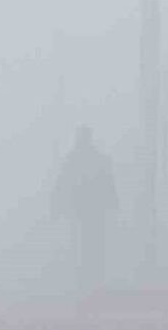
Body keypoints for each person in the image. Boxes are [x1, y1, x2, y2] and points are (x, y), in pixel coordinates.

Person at [51, 126, 119, 294]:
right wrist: (113, 203)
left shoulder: (74, 160)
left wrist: (57, 207)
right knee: (93, 245)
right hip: (91, 212)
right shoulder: (98, 159)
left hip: (83, 212)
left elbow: (62, 185)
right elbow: (108, 184)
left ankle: (87, 282)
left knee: (85, 245)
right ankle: (92, 282)